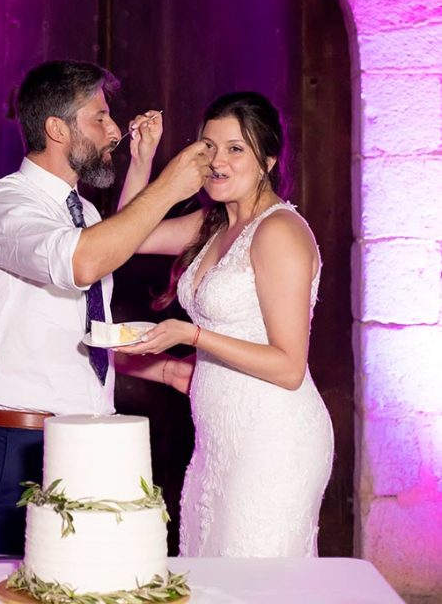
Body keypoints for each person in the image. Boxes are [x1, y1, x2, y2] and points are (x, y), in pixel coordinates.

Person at [0, 59, 212, 554]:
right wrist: (169, 186)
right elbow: (80, 262)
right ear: (57, 128)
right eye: (99, 118)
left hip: (87, 440)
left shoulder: (87, 213)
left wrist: (164, 371)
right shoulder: (5, 204)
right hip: (22, 444)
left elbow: (78, 335)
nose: (115, 130)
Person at [118, 92, 334, 557]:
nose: (217, 160)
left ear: (268, 159)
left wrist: (191, 335)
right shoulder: (212, 224)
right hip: (218, 442)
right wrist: (142, 159)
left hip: (274, 438)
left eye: (236, 148)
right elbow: (127, 237)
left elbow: (289, 366)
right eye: (208, 146)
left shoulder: (279, 231)